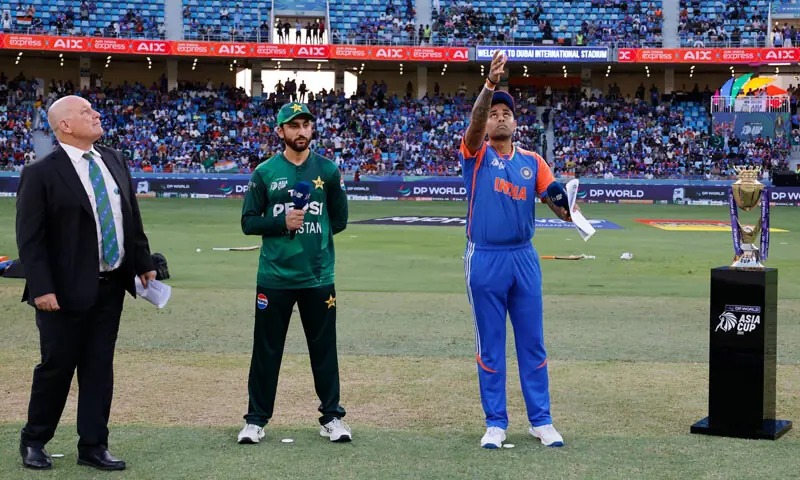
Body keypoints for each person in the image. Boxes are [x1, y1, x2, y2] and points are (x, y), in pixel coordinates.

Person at [15, 95, 156, 470]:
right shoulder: (41, 173)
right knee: (56, 368)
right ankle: (34, 440)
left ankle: (93, 445)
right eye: (85, 111)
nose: (95, 114)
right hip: (62, 292)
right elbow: (30, 239)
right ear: (65, 125)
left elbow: (130, 217)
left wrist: (143, 262)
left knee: (98, 369)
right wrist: (42, 288)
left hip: (110, 286)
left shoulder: (113, 159)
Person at [459, 51, 572, 449]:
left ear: (516, 122)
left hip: (523, 257)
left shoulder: (533, 161)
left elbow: (557, 205)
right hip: (485, 257)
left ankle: (542, 421)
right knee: (490, 345)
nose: (500, 118)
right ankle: (495, 423)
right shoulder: (475, 154)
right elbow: (475, 124)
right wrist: (490, 85)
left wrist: (568, 206)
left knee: (532, 344)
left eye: (506, 113)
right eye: (494, 114)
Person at [237, 101, 350, 444]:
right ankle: (255, 421)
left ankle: (332, 418)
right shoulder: (265, 172)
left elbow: (339, 220)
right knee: (266, 351)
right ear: (280, 131)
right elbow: (248, 222)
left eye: (306, 125)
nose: (301, 131)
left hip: (318, 276)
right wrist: (281, 223)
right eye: (294, 125)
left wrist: (314, 238)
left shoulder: (328, 170)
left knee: (324, 350)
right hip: (275, 277)